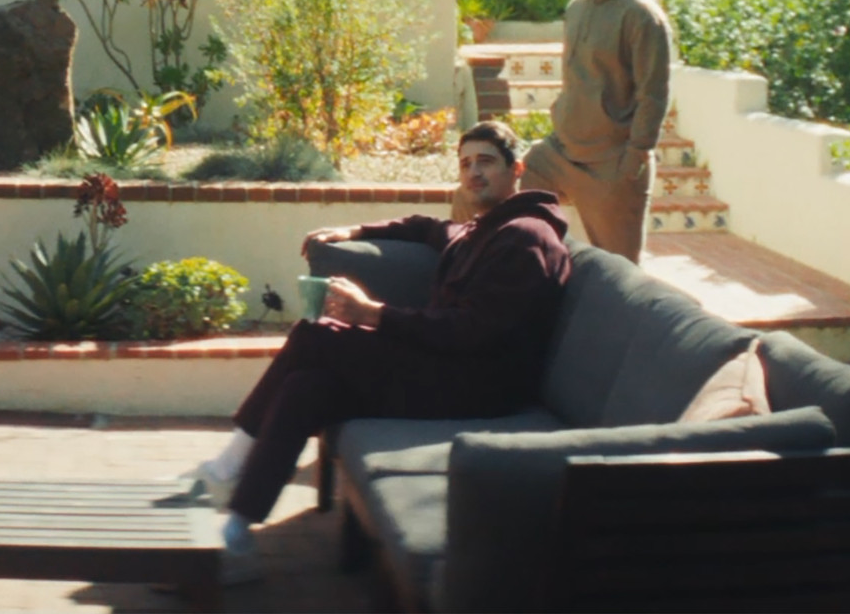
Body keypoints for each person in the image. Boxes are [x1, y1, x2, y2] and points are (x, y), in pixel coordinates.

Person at [186, 121, 571, 584]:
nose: (473, 173)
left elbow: (474, 330)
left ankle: (228, 468)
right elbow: (425, 227)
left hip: (479, 387)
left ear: (517, 170)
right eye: (466, 163)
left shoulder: (526, 238)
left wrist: (374, 314)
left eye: (486, 162)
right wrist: (355, 230)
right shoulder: (483, 230)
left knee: (316, 335)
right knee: (307, 387)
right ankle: (238, 533)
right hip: (446, 368)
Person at [520, 0, 673, 261]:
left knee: (620, 275)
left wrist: (633, 160)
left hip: (612, 166)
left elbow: (653, 94)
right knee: (508, 217)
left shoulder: (642, 14)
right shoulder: (577, 6)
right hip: (560, 154)